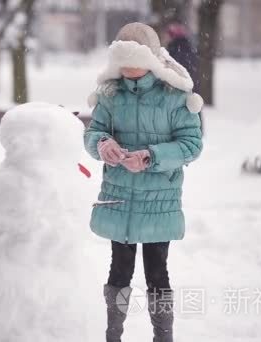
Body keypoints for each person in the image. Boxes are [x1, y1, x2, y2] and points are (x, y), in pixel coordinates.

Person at [84, 22, 204, 342]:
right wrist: (102, 144)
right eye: (124, 70)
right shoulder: (110, 94)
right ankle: (113, 335)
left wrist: (151, 157)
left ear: (151, 63)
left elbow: (192, 145)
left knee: (157, 273)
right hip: (120, 196)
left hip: (158, 201)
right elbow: (93, 132)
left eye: (136, 71)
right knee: (119, 271)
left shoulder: (175, 97)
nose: (130, 77)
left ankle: (163, 337)